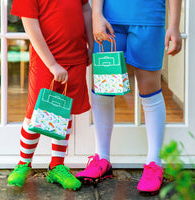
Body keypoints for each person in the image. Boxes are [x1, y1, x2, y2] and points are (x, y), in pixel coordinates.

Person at [76, 0, 182, 194]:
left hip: (148, 19)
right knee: (103, 87)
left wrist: (174, 25)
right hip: (109, 18)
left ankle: (154, 163)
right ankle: (102, 158)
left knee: (149, 88)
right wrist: (97, 15)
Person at [8, 0, 93, 191]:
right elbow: (29, 21)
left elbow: (85, 7)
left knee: (63, 111)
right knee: (35, 114)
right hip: (46, 60)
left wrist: (91, 43)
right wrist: (52, 63)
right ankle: (24, 163)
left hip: (76, 56)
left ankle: (57, 165)